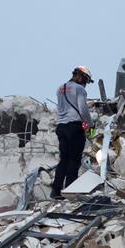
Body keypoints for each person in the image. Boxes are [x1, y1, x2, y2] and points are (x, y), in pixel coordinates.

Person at [52, 66, 95, 199]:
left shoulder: (60, 88)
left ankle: (56, 191)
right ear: (81, 77)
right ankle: (70, 191)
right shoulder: (79, 89)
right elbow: (82, 108)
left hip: (61, 127)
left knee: (63, 160)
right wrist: (91, 125)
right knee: (74, 160)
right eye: (86, 80)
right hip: (75, 127)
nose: (85, 84)